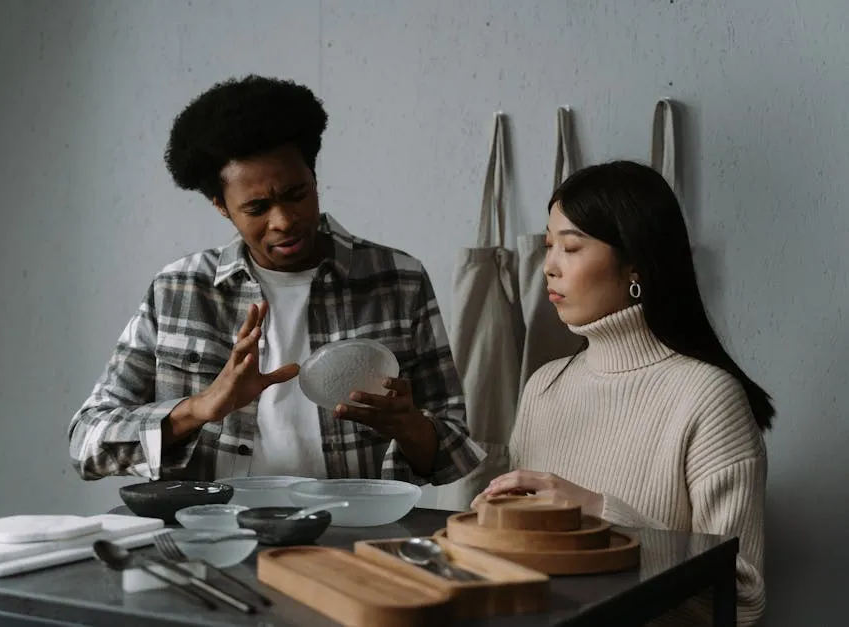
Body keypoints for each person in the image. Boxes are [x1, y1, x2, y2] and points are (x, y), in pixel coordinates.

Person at [68, 75, 484, 486]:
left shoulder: (397, 282)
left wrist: (407, 425)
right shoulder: (178, 290)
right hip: (212, 539)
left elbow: (455, 452)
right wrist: (199, 409)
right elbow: (86, 442)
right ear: (221, 206)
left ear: (315, 178)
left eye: (296, 194)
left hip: (351, 540)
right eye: (257, 207)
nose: (284, 221)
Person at [474, 161, 771, 626]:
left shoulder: (708, 398)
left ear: (635, 262)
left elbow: (741, 602)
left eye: (571, 247)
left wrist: (595, 511)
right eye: (549, 246)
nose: (548, 266)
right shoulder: (543, 387)